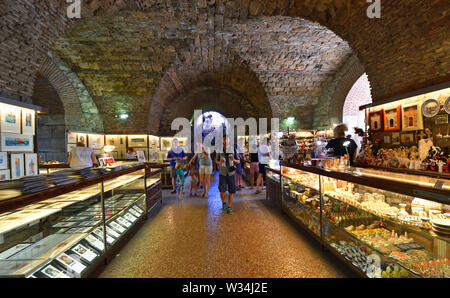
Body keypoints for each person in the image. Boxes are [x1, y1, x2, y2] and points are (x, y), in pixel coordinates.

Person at [216, 136, 240, 214]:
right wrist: (220, 162)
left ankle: (229, 206)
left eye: (227, 138)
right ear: (222, 140)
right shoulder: (219, 150)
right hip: (222, 172)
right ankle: (223, 202)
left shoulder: (233, 149)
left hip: (231, 173)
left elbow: (238, 161)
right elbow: (216, 161)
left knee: (231, 190)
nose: (226, 140)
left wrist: (234, 160)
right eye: (224, 139)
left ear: (230, 140)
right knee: (222, 190)